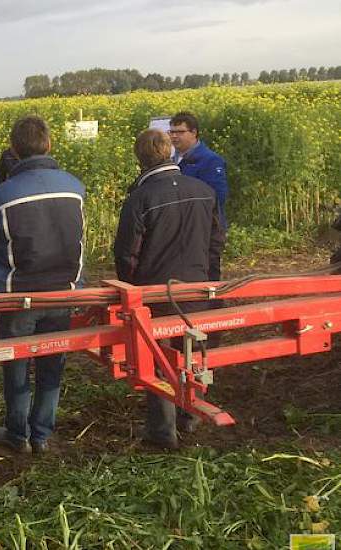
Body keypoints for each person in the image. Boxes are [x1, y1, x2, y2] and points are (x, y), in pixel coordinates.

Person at [0, 116, 85, 454]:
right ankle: (41, 434)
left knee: (17, 364)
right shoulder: (74, 186)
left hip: (17, 297)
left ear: (13, 148)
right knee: (52, 365)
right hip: (62, 291)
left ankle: (17, 433)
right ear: (49, 144)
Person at [114, 129, 225, 449]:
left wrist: (134, 290)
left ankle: (163, 432)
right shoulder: (203, 190)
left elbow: (126, 253)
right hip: (198, 287)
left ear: (140, 159)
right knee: (192, 348)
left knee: (160, 359)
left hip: (156, 294)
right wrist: (208, 279)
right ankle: (189, 415)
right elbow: (216, 241)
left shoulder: (140, 198)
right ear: (169, 152)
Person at [170, 111, 228, 280]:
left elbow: (218, 196)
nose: (174, 137)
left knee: (208, 272)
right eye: (172, 132)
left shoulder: (210, 160)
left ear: (194, 133)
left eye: (180, 132)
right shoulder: (172, 159)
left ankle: (215, 305)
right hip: (182, 227)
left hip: (207, 227)